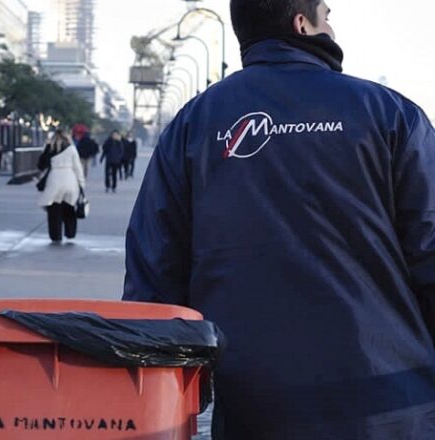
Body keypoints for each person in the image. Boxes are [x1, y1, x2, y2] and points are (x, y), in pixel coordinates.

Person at [124, 1, 435, 439]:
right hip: (391, 406)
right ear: (303, 24)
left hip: (254, 408)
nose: (332, 25)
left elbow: (153, 281)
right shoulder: (390, 115)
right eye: (327, 15)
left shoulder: (193, 126)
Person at [37, 129, 85, 243]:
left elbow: (41, 165)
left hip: (54, 179)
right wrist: (81, 183)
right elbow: (78, 168)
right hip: (70, 178)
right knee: (69, 208)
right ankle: (70, 233)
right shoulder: (72, 149)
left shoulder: (50, 148)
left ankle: (55, 235)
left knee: (54, 210)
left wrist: (47, 146)